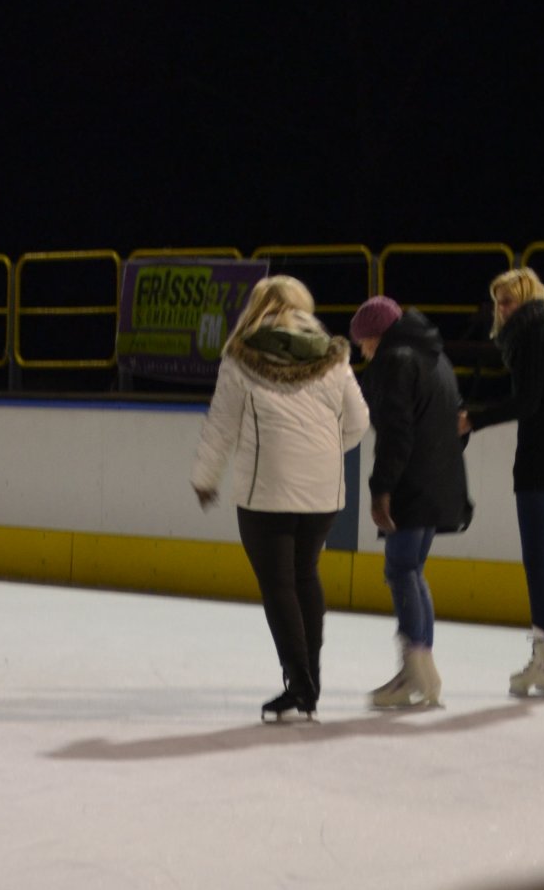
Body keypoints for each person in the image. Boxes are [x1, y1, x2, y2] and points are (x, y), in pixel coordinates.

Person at [191, 275, 369, 720]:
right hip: (323, 493)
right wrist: (324, 453)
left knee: (279, 586)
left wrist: (205, 477)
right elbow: (359, 421)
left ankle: (300, 683)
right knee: (305, 576)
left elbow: (221, 425)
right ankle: (311, 681)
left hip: (265, 492)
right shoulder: (334, 356)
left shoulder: (242, 355)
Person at [460, 266, 544, 698]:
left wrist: (473, 419)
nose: (502, 309)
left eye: (508, 301)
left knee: (539, 560)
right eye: (498, 301)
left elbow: (526, 401)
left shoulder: (532, 337)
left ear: (527, 299)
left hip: (541, 462)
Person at [350, 295, 472, 710]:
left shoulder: (395, 360)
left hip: (412, 483)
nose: (362, 351)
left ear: (375, 336)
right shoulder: (436, 358)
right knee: (412, 570)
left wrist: (381, 489)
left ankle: (417, 671)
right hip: (440, 479)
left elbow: (396, 433)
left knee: (401, 569)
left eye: (363, 342)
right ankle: (419, 670)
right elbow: (460, 424)